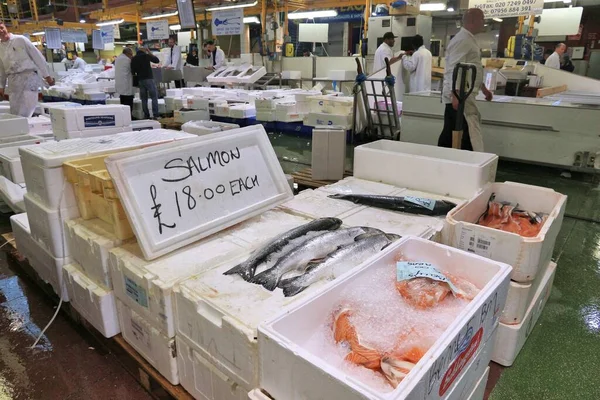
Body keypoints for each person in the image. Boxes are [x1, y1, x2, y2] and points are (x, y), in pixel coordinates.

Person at [438, 8, 493, 152]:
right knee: (459, 134)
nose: (484, 22)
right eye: (482, 19)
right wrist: (456, 95)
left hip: (464, 94)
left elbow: (471, 68)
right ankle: (456, 162)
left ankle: (447, 159)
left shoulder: (469, 39)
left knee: (455, 133)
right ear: (473, 21)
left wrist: (484, 89)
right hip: (459, 96)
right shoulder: (463, 40)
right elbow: (454, 68)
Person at [0, 22, 55, 117]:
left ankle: (29, 128)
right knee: (15, 112)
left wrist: (47, 76)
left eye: (1, 28)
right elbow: (2, 69)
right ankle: (20, 130)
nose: (1, 31)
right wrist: (2, 86)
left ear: (6, 27)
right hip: (13, 82)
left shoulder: (20, 40)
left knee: (26, 111)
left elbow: (38, 57)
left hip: (28, 78)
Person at [131, 47, 160, 120]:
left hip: (140, 80)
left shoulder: (134, 58)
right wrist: (149, 52)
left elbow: (133, 71)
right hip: (149, 79)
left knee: (144, 99)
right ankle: (155, 114)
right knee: (154, 97)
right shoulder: (146, 56)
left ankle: (146, 115)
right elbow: (157, 60)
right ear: (144, 50)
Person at [115, 48, 134, 115]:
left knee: (122, 101)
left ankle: (124, 116)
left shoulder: (117, 59)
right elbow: (133, 70)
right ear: (127, 54)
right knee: (128, 102)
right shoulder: (127, 60)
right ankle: (129, 116)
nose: (132, 56)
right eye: (131, 55)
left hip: (119, 84)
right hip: (126, 84)